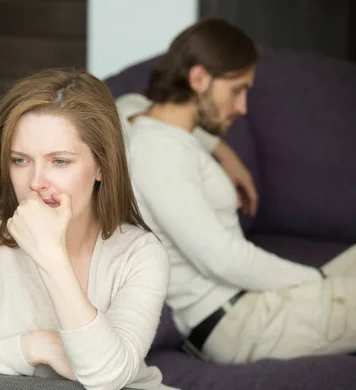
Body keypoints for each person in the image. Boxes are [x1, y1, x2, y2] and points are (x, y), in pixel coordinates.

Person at [0, 68, 184, 390]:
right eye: (20, 160)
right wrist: (37, 346)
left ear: (102, 165)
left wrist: (51, 257)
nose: (35, 182)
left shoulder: (140, 253)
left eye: (59, 161)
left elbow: (107, 376)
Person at [117, 17, 356, 364]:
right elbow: (222, 259)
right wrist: (315, 279)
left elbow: (129, 103)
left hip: (246, 305)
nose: (242, 107)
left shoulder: (146, 124)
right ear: (198, 78)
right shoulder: (158, 151)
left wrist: (220, 149)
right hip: (238, 322)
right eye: (237, 90)